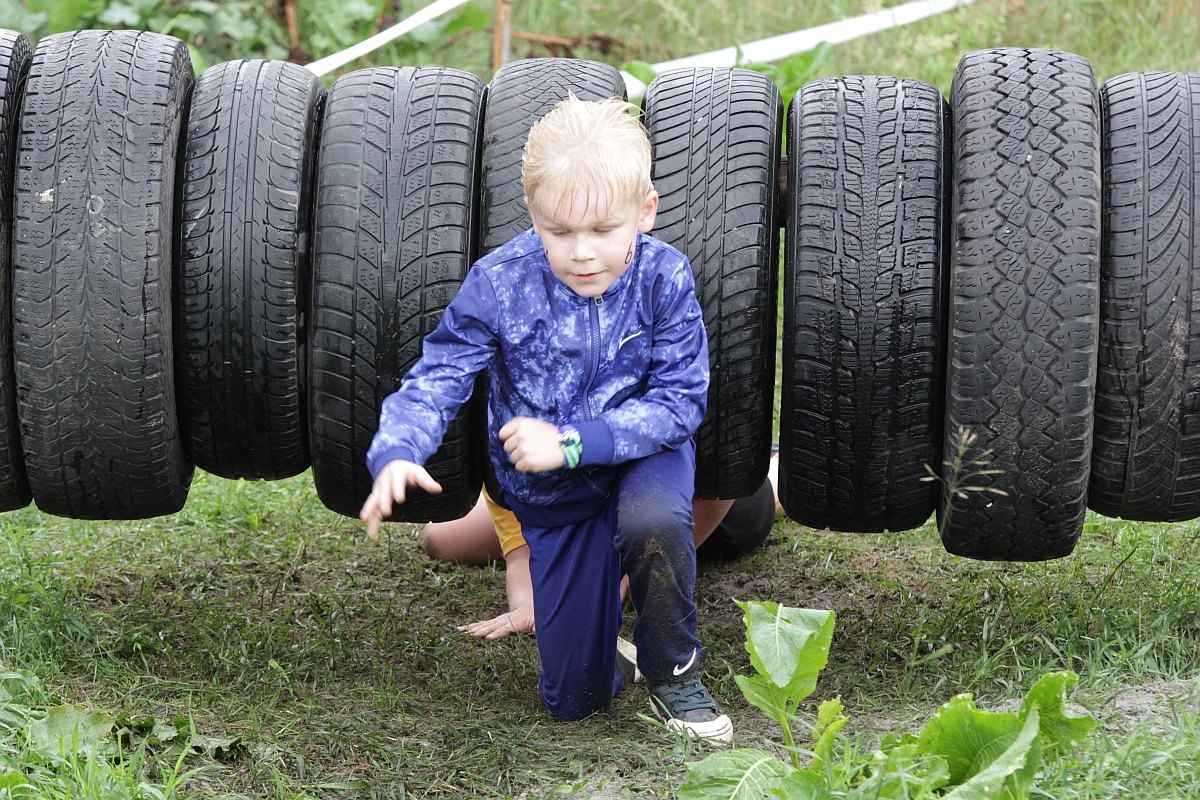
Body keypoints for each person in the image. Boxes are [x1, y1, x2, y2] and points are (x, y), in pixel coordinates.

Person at [360, 94, 733, 741]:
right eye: (560, 232)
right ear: (533, 215)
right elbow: (440, 372)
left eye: (603, 231)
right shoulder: (499, 283)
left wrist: (572, 442)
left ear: (644, 213)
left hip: (636, 459)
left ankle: (674, 668)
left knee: (653, 520)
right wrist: (397, 449)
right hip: (551, 496)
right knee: (573, 701)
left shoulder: (665, 278)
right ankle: (602, 651)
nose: (583, 252)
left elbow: (678, 404)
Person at [424, 457, 782, 640]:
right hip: (587, 504)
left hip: (690, 503)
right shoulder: (508, 433)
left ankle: (774, 464)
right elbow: (521, 553)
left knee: (753, 497)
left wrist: (625, 582)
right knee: (441, 539)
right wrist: (531, 605)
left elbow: (720, 487)